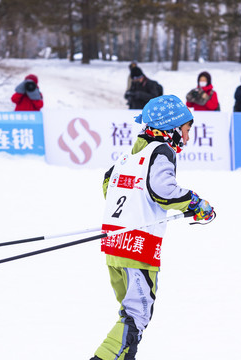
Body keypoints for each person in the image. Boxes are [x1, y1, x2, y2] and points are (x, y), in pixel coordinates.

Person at [90, 95, 215, 360]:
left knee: (130, 314)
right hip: (138, 247)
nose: (188, 138)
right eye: (186, 130)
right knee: (136, 316)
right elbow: (163, 190)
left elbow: (107, 184)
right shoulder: (161, 151)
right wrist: (195, 204)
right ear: (172, 128)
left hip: (115, 244)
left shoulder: (133, 151)